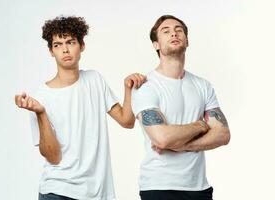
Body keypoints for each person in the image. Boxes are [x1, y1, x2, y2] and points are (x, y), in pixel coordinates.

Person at [15, 16, 146, 200]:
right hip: (58, 191)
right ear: (51, 51)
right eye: (57, 45)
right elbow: (53, 157)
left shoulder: (95, 80)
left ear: (82, 45)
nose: (65, 49)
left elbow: (127, 121)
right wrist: (41, 113)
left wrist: (128, 89)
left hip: (97, 193)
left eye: (70, 42)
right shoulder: (40, 98)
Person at [131, 15, 231, 200]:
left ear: (187, 40)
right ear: (156, 44)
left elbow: (223, 134)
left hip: (199, 187)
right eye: (165, 31)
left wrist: (182, 145)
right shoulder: (145, 86)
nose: (174, 33)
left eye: (179, 30)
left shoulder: (203, 85)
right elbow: (162, 138)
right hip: (159, 186)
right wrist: (201, 126)